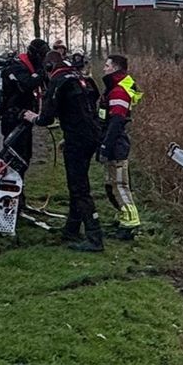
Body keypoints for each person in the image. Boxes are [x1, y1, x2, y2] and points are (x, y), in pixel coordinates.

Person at [25, 52, 105, 252]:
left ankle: (95, 237)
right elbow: (87, 109)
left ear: (50, 67)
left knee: (79, 188)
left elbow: (46, 118)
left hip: (78, 140)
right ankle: (71, 228)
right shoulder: (82, 78)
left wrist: (32, 117)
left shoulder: (59, 81)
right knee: (76, 184)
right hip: (91, 135)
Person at [98, 54, 143, 240]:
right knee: (111, 185)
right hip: (113, 143)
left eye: (107, 65)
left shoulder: (118, 91)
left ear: (115, 68)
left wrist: (105, 146)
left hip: (116, 145)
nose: (104, 68)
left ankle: (131, 222)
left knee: (120, 186)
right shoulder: (114, 88)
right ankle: (123, 216)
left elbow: (116, 122)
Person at [0, 38, 49, 176]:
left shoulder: (31, 67)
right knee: (14, 155)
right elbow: (25, 85)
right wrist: (40, 71)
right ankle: (8, 186)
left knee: (25, 155)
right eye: (43, 55)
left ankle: (19, 188)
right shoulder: (17, 66)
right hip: (12, 116)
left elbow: (47, 87)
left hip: (25, 116)